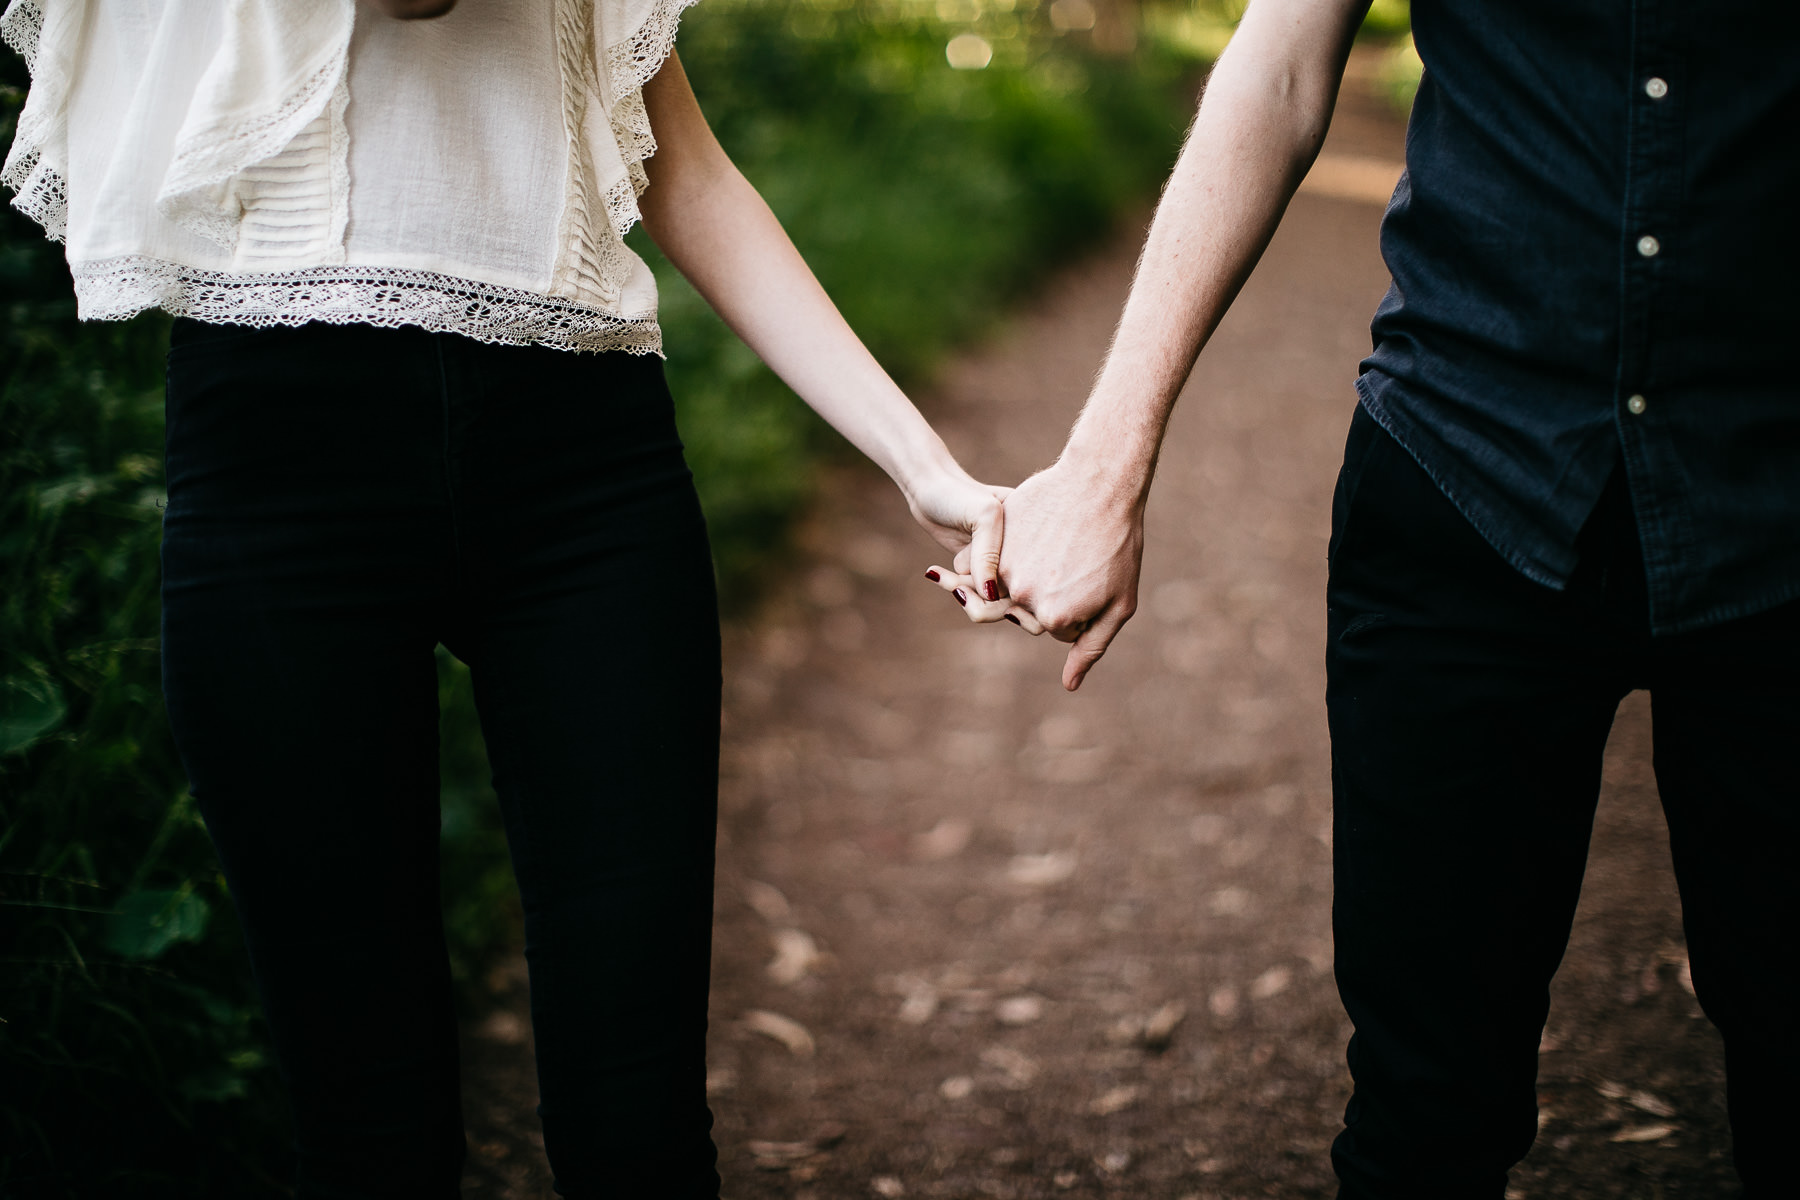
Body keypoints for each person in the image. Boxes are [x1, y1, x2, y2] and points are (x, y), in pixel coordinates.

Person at [2, 0, 1010, 1195]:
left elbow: (686, 168)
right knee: (368, 1135)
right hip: (278, 483)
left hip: (584, 470)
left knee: (640, 1131)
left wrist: (923, 466)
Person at [932, 0, 1800, 1194]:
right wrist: (1104, 466)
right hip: (1466, 471)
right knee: (1427, 1108)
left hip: (1778, 501)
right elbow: (1282, 66)